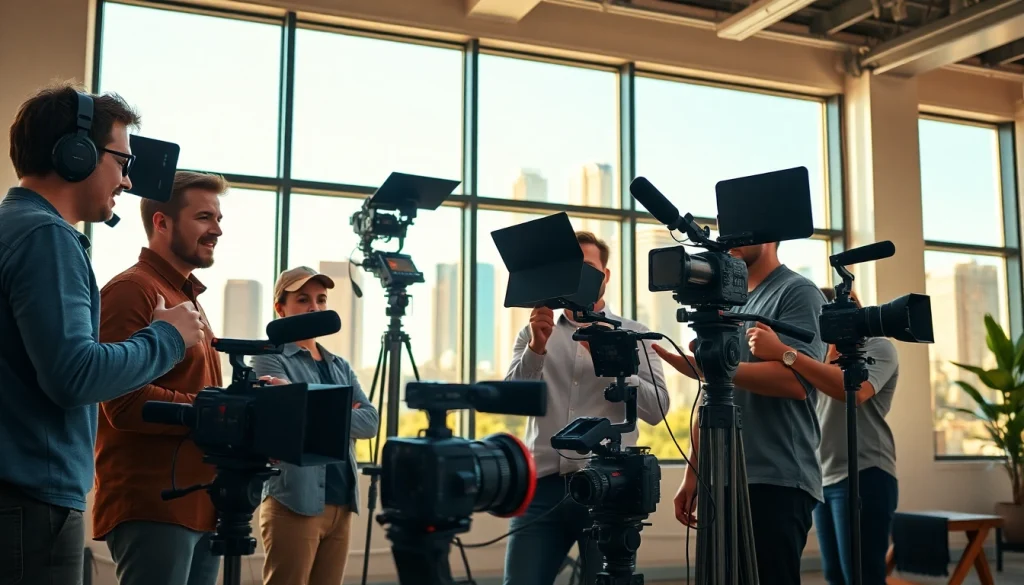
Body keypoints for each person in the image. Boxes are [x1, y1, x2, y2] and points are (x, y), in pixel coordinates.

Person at [0, 84, 205, 585]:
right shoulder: (48, 237)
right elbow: (74, 375)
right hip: (32, 501)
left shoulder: (13, 226)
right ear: (77, 154)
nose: (128, 178)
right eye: (121, 160)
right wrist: (167, 338)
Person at [654, 241, 827, 585]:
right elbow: (713, 395)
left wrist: (710, 369)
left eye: (739, 232)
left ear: (768, 236)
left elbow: (797, 382)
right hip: (721, 476)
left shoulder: (798, 292)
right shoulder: (727, 302)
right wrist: (695, 471)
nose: (728, 240)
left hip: (776, 478)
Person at [502, 231, 669, 585]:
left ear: (605, 276)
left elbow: (658, 411)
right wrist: (536, 348)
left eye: (589, 268)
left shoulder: (635, 334)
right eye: (572, 269)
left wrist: (616, 363)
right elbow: (514, 400)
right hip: (540, 489)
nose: (580, 277)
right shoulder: (534, 331)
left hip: (610, 487)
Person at [91, 171, 229, 585]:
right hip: (154, 503)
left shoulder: (188, 297)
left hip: (201, 504)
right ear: (161, 222)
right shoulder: (133, 290)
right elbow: (122, 402)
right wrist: (216, 412)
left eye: (218, 219)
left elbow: (200, 391)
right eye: (204, 217)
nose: (217, 230)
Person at [747, 287, 899, 585]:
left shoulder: (876, 348)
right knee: (834, 577)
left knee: (862, 575)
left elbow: (853, 391)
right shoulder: (814, 356)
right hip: (823, 477)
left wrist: (783, 353)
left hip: (866, 472)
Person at [251, 266, 379, 585]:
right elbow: (283, 421)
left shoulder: (340, 366)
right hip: (295, 501)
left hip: (342, 503)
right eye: (303, 299)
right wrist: (337, 408)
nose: (315, 308)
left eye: (321, 300)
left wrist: (303, 402)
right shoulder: (268, 359)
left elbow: (371, 422)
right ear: (280, 308)